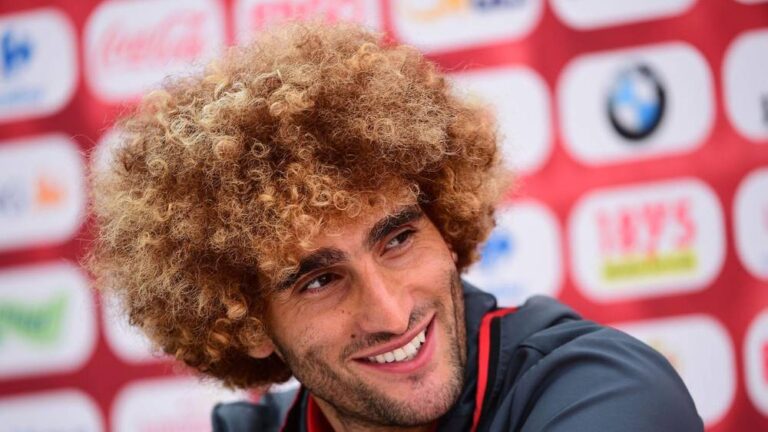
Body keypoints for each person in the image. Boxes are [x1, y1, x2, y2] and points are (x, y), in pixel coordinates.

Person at [88, 22, 703, 432]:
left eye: (398, 240)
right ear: (250, 328)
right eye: (319, 281)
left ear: (447, 229)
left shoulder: (599, 390)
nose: (390, 312)